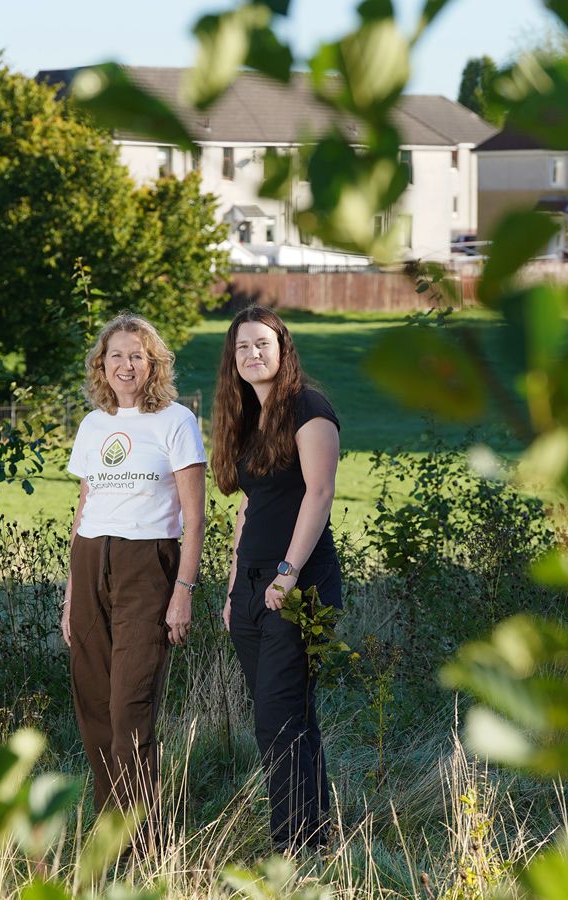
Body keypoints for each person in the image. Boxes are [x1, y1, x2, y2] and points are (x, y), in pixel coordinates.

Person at [61, 314, 206, 820]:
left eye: (137, 355)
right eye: (116, 355)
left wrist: (183, 589)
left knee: (130, 707)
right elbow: (84, 507)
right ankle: (110, 830)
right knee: (95, 707)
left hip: (147, 565)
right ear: (102, 364)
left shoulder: (177, 421)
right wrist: (70, 595)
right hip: (89, 561)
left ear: (154, 364)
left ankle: (142, 845)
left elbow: (194, 516)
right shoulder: (93, 425)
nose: (126, 365)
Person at [210, 304, 341, 853]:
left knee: (277, 718)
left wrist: (286, 575)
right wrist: (234, 586)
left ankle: (292, 844)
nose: (252, 354)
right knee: (290, 715)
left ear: (282, 348)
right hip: (252, 586)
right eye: (242, 347)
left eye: (262, 343)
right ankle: (316, 833)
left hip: (299, 583)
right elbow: (247, 510)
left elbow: (319, 494)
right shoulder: (248, 420)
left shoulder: (309, 407)